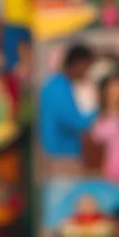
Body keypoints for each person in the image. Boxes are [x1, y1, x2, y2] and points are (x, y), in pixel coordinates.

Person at [38, 43, 97, 173]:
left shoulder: (56, 84)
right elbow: (74, 121)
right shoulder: (58, 87)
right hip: (62, 157)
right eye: (88, 67)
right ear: (78, 64)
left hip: (57, 154)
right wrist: (100, 113)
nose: (88, 73)